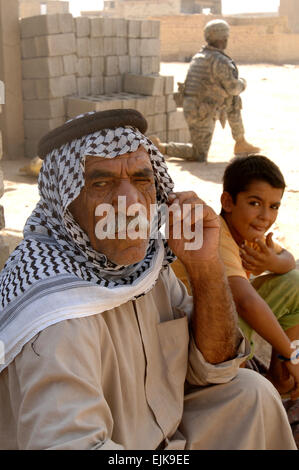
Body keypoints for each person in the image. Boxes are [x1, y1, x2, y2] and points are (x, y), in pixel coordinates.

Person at [0, 110, 296, 450]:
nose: (130, 205)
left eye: (142, 181)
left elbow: (215, 368)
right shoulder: (54, 310)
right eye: (101, 183)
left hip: (159, 435)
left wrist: (204, 266)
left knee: (251, 393)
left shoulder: (145, 267)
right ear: (65, 206)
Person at [219, 155, 299, 396]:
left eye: (274, 206)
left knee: (295, 283)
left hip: (230, 313)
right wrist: (292, 354)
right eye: (255, 203)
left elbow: (289, 261)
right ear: (228, 201)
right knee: (235, 315)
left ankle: (280, 378)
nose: (266, 216)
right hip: (193, 331)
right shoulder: (216, 234)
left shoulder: (251, 235)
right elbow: (245, 303)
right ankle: (238, 387)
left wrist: (272, 261)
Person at [152, 19, 260, 162]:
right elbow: (233, 88)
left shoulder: (199, 56)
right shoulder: (220, 60)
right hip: (202, 111)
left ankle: (240, 142)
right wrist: (243, 83)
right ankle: (162, 148)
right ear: (223, 38)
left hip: (194, 107)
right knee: (199, 154)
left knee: (233, 101)